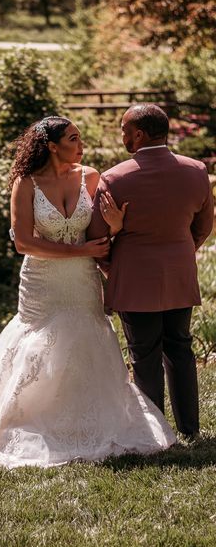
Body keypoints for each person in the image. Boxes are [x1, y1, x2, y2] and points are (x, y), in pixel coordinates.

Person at [0, 115, 176, 468]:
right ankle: (23, 418)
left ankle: (85, 422)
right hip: (43, 282)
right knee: (38, 343)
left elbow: (98, 241)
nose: (81, 145)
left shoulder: (91, 177)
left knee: (86, 340)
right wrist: (80, 252)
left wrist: (115, 228)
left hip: (82, 282)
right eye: (73, 139)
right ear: (52, 146)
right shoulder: (26, 184)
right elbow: (24, 243)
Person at [86, 104, 213, 441]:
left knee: (144, 355)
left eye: (125, 129)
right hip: (178, 274)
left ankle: (156, 431)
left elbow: (97, 237)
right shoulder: (197, 170)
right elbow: (203, 228)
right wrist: (180, 252)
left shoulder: (114, 178)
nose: (122, 135)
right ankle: (190, 428)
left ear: (139, 133)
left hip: (134, 277)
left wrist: (114, 266)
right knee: (180, 348)